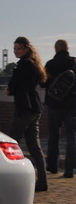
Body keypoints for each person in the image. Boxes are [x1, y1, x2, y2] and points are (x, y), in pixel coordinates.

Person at [6, 36, 49, 192]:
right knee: (35, 147)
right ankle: (42, 182)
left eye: (18, 48)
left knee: (10, 143)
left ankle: (10, 179)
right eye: (14, 48)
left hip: (24, 108)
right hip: (35, 108)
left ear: (25, 49)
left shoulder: (22, 65)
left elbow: (11, 87)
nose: (15, 51)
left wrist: (9, 90)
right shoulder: (35, 65)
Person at [42, 39, 76, 178]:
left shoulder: (50, 64)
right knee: (71, 136)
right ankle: (70, 169)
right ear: (67, 48)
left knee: (54, 135)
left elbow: (43, 83)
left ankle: (53, 166)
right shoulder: (74, 62)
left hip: (54, 104)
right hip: (72, 105)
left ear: (56, 49)